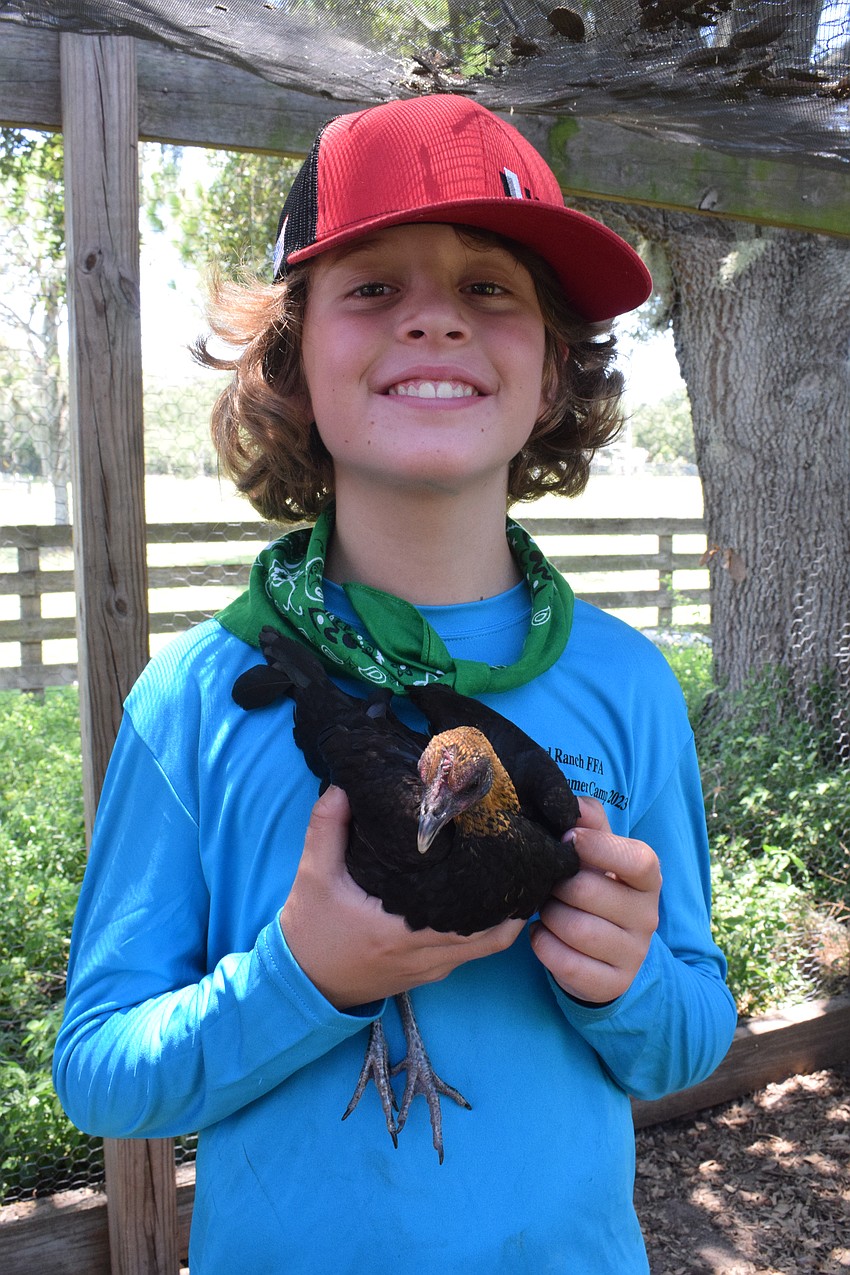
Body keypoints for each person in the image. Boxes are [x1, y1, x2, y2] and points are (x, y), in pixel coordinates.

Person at [54, 95, 737, 1273]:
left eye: (491, 288)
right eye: (371, 286)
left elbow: (685, 1041)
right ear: (290, 355)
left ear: (553, 370)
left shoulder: (625, 685)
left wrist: (625, 983)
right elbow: (104, 1074)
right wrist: (303, 978)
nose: (432, 320)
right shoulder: (201, 695)